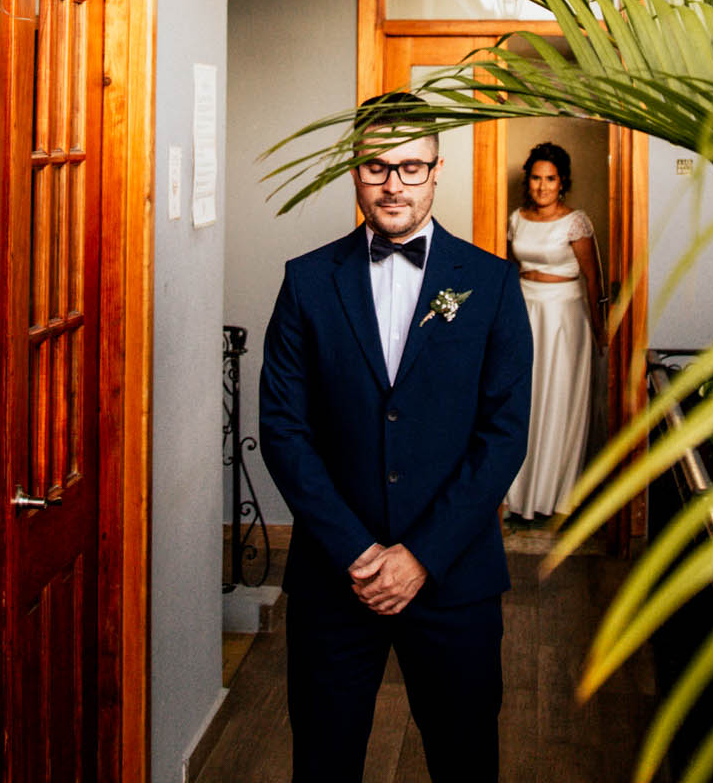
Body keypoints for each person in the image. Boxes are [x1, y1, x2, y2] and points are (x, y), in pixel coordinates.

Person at [257, 97, 533, 782]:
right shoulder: (306, 282)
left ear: (437, 171)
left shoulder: (491, 284)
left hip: (453, 576)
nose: (394, 184)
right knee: (323, 765)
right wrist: (358, 552)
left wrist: (421, 556)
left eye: (411, 167)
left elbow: (502, 436)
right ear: (355, 171)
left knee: (465, 762)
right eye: (378, 166)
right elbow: (283, 431)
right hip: (333, 576)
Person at [503, 142, 605, 519]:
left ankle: (553, 494)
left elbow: (594, 282)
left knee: (558, 397)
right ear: (527, 181)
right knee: (524, 398)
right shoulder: (516, 218)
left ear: (562, 183)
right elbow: (506, 270)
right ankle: (517, 494)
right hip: (524, 308)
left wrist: (600, 330)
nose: (542, 186)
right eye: (536, 178)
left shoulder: (575, 221)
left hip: (563, 316)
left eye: (550, 179)